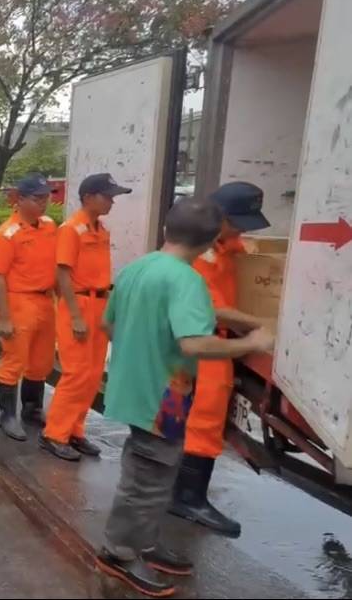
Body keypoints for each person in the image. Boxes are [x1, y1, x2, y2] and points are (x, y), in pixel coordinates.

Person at [96, 197, 274, 597]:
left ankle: (144, 542)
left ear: (166, 230)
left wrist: (143, 352)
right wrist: (252, 342)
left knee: (151, 472)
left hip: (134, 387)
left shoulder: (136, 268)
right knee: (148, 480)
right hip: (165, 397)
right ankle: (117, 554)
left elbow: (108, 325)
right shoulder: (185, 279)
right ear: (212, 238)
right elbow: (194, 344)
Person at [170, 181, 271, 537]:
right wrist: (262, 325)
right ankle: (188, 498)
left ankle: (182, 490)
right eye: (239, 223)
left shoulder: (222, 244)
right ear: (220, 217)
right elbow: (214, 309)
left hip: (216, 340)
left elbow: (243, 251)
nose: (243, 231)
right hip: (204, 343)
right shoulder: (197, 254)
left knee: (199, 417)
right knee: (204, 418)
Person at [41, 173, 132, 461]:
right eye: (108, 196)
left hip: (100, 304)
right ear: (89, 197)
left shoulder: (100, 230)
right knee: (76, 373)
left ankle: (75, 430)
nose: (112, 202)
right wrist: (77, 316)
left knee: (92, 375)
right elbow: (63, 274)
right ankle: (54, 434)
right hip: (78, 304)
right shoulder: (72, 229)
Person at [0, 173, 58, 441]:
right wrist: (3, 317)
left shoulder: (50, 225)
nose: (44, 203)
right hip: (20, 301)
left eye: (46, 197)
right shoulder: (7, 235)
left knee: (41, 360)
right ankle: (7, 415)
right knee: (14, 359)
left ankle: (32, 408)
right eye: (38, 198)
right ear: (20, 200)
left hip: (44, 300)